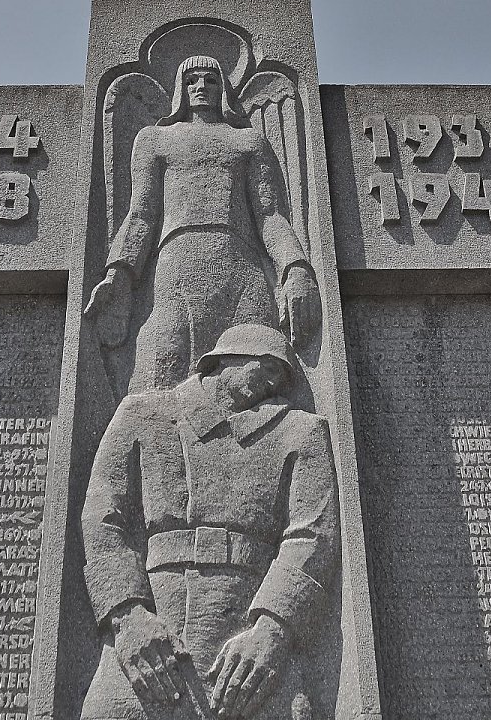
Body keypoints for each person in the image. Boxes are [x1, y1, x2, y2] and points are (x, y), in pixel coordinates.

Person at [79, 324, 339, 720]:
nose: (272, 383)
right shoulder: (140, 414)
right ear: (225, 359)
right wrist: (128, 618)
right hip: (152, 632)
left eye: (281, 376)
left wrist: (272, 632)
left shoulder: (301, 433)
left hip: (251, 638)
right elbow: (103, 518)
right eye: (266, 367)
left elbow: (312, 536)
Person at [85, 55, 320, 391]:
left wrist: (296, 269)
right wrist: (119, 273)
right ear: (181, 87)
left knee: (251, 382)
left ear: (223, 87)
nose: (201, 87)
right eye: (192, 79)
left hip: (241, 272)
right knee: (159, 375)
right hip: (176, 269)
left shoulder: (248, 141)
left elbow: (270, 216)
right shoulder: (154, 140)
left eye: (211, 79)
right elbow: (141, 213)